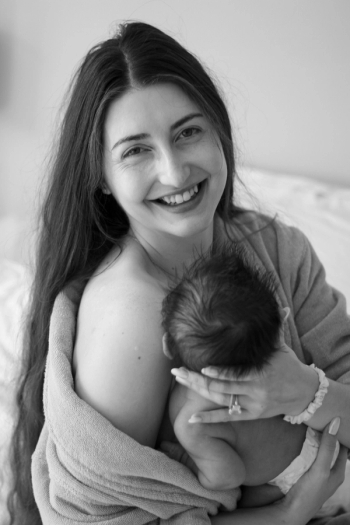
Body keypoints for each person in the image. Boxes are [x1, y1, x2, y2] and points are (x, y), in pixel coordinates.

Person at [8, 21, 350, 525]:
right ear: (101, 177)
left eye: (188, 132)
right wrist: (288, 514)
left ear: (219, 134)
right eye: (136, 150)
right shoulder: (130, 321)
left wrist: (302, 390)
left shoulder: (276, 247)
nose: (174, 172)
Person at [161, 241, 340, 514]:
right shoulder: (280, 361)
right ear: (280, 325)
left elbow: (227, 478)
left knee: (245, 504)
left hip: (290, 480)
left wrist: (187, 459)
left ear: (165, 345)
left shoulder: (193, 421)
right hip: (321, 433)